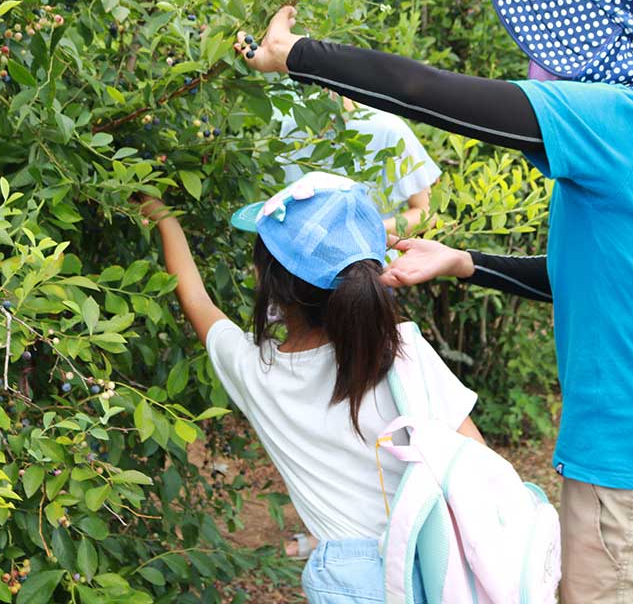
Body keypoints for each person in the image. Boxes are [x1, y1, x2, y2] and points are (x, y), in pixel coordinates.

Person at [233, 0, 633, 604]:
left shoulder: (619, 121)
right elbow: (598, 284)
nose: (532, 60)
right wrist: (466, 263)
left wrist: (296, 56)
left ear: (593, 45)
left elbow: (434, 94)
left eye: (549, 40)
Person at [140, 171, 484, 602]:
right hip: (441, 568)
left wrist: (161, 215)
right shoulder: (403, 354)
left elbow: (195, 299)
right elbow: (478, 462)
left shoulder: (255, 369)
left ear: (269, 279)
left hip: (353, 586)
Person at [278, 93, 441, 237]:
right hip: (300, 261)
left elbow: (426, 213)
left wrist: (366, 232)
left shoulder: (389, 129)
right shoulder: (294, 122)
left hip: (367, 264)